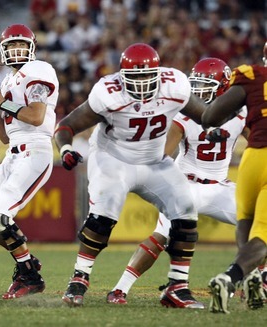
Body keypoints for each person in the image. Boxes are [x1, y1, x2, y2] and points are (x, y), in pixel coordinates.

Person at [54, 43, 208, 308]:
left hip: (154, 161)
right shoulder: (107, 92)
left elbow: (205, 114)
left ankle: (177, 286)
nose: (141, 84)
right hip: (113, 158)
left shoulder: (176, 86)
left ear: (159, 74)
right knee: (105, 212)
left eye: (147, 77)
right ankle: (79, 278)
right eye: (135, 78)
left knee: (186, 209)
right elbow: (67, 124)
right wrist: (65, 148)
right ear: (121, 76)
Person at [106, 57, 250, 305]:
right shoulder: (185, 114)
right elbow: (163, 153)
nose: (199, 91)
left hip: (219, 186)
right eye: (196, 84)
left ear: (224, 88)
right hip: (186, 183)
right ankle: (119, 289)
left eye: (207, 85)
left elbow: (259, 140)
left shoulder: (241, 113)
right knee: (161, 235)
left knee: (260, 225)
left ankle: (256, 279)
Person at [0, 24, 59, 299]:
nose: (16, 50)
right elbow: (2, 136)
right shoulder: (6, 81)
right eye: (10, 46)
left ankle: (30, 276)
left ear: (32, 47)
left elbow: (35, 117)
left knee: (1, 216)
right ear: (2, 50)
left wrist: (1, 103)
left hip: (35, 151)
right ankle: (28, 264)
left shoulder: (39, 70)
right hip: (12, 152)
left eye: (21, 44)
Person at [204, 42, 267, 314]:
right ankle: (229, 279)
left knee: (245, 222)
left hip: (253, 158)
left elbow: (210, 116)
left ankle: (252, 279)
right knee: (263, 233)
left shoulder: (253, 75)